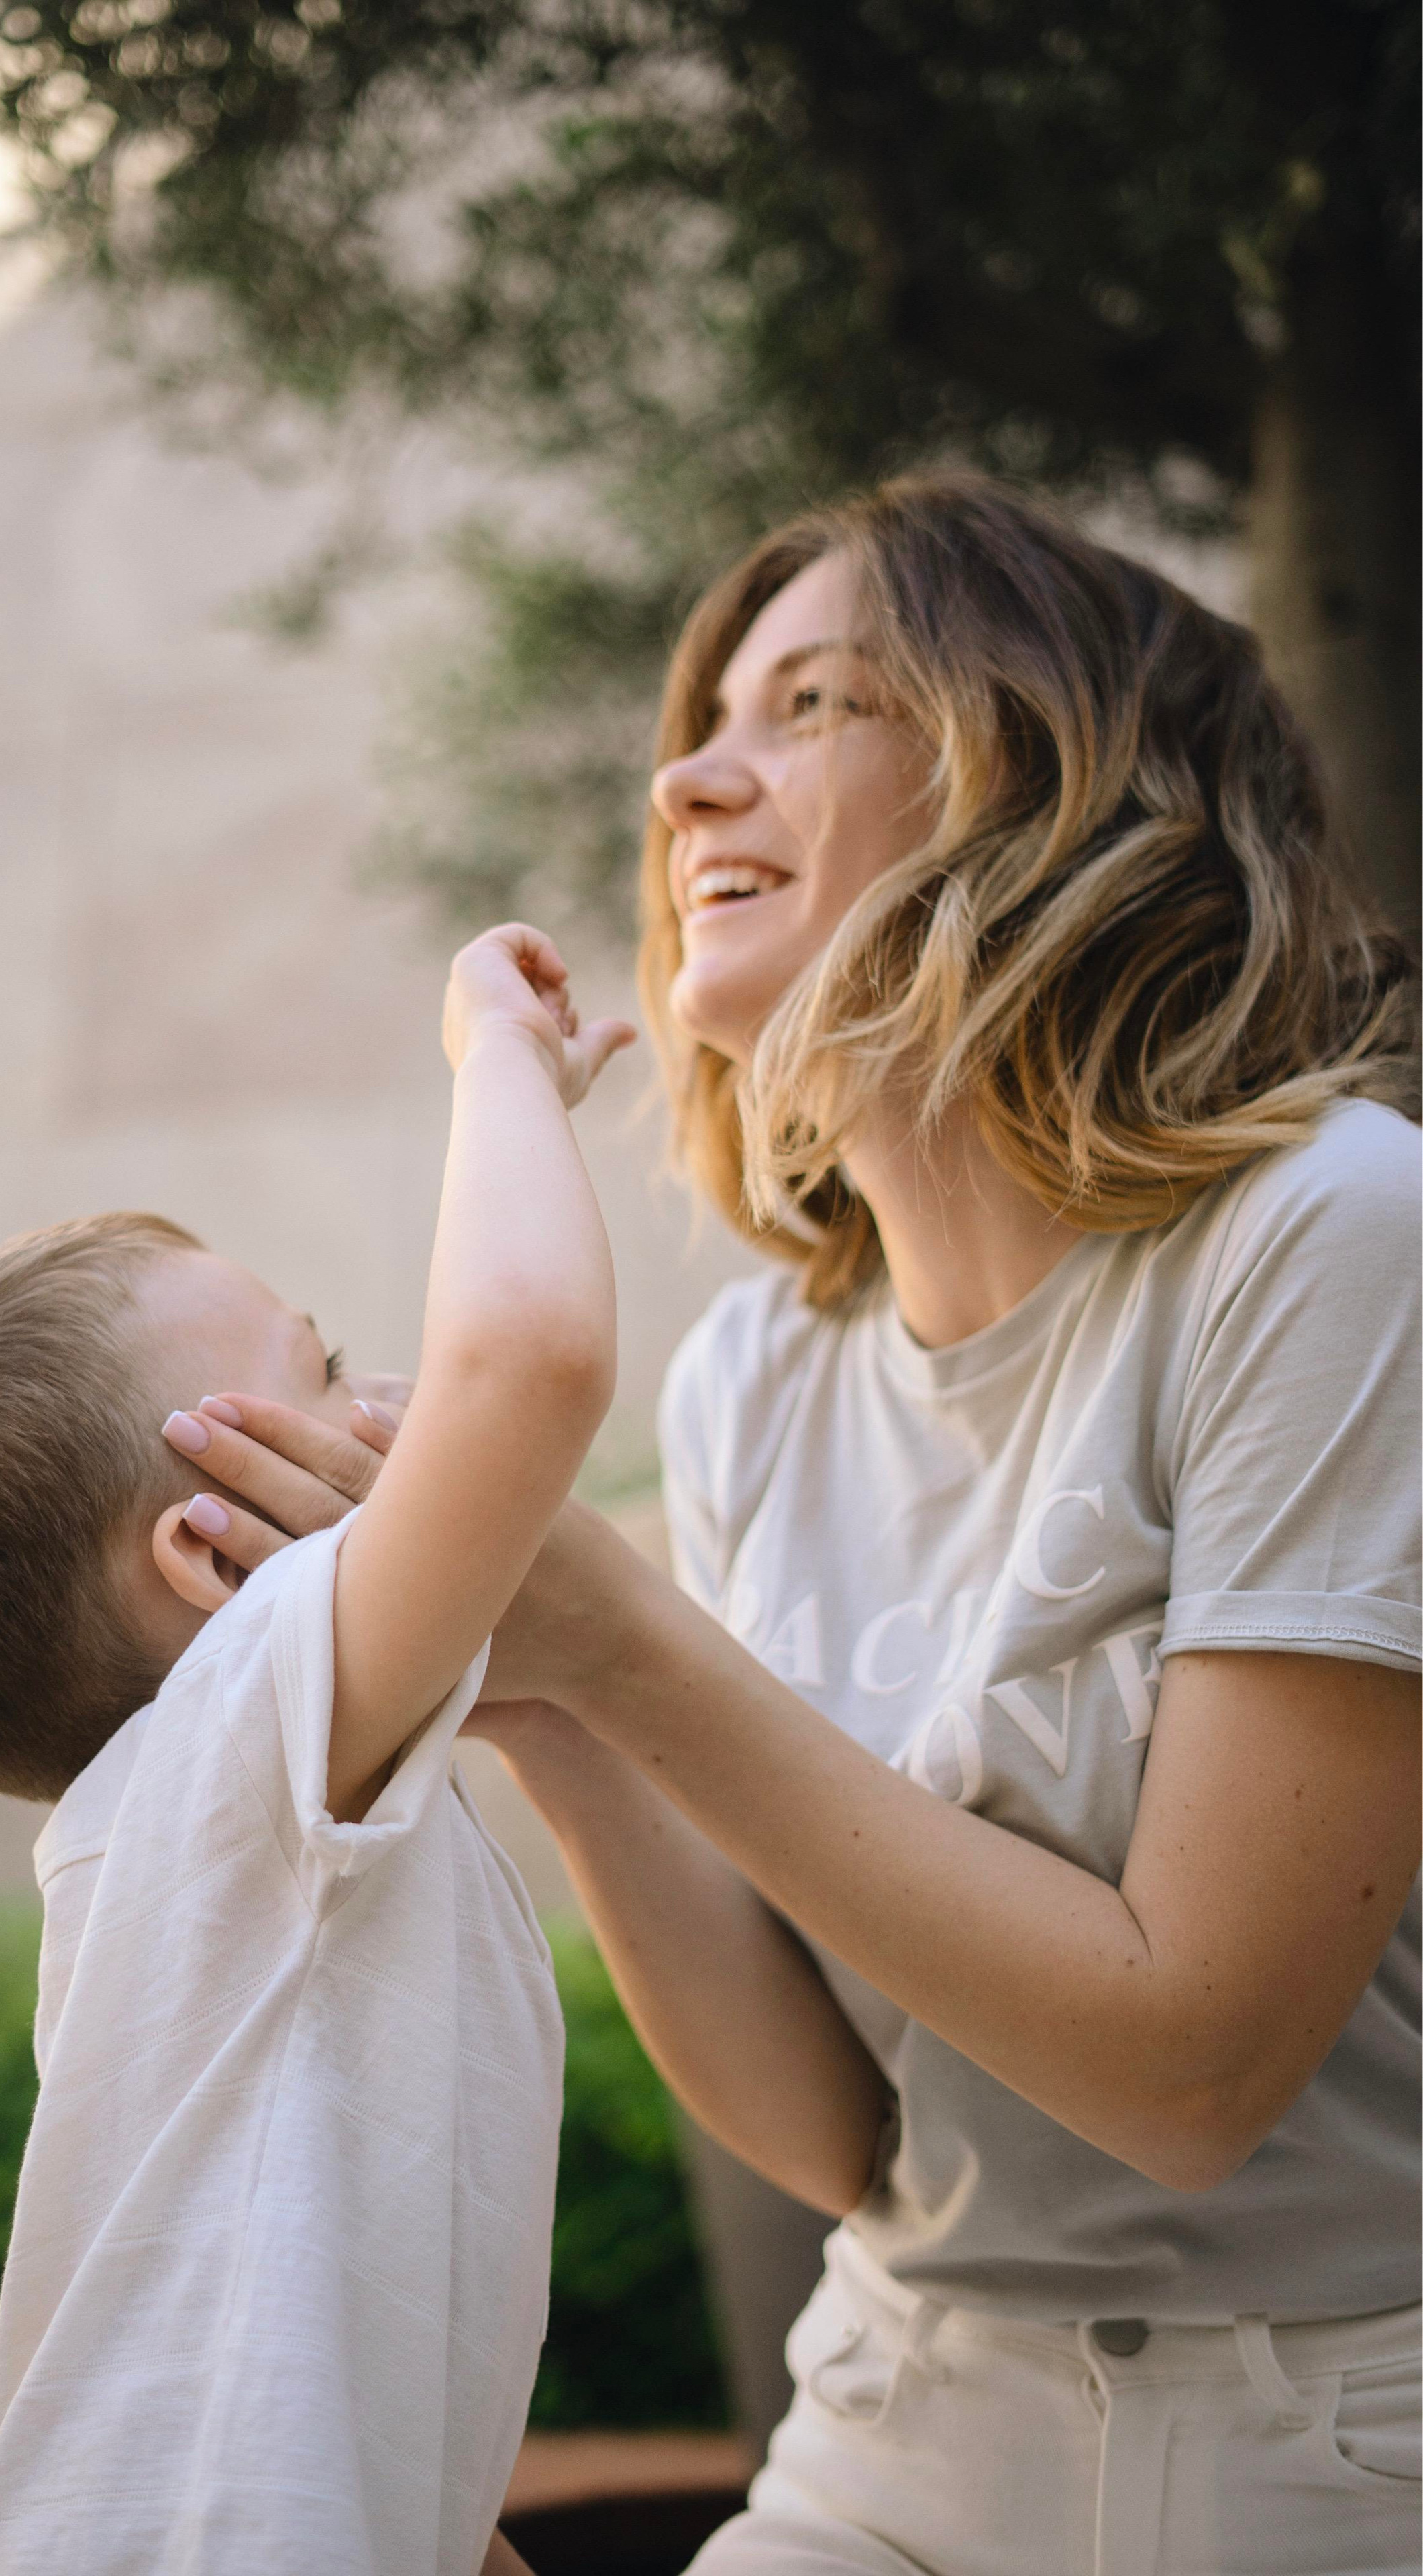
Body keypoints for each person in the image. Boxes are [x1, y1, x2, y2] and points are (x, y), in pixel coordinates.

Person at [170, 476, 1422, 2576]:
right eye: (704, 716)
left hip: (1335, 2454)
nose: (688, 777)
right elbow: (849, 2144)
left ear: (1063, 784)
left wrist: (622, 1635)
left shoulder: (1333, 1238)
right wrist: (552, 1699)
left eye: (818, 700)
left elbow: (1198, 2068)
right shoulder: (760, 1377)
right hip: (898, 2423)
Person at [0, 924, 635, 2576]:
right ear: (213, 1558)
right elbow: (528, 1361)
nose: (391, 1396)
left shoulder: (205, 1848)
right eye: (317, 1372)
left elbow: (370, 2436)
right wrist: (499, 1059)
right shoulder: (255, 1722)